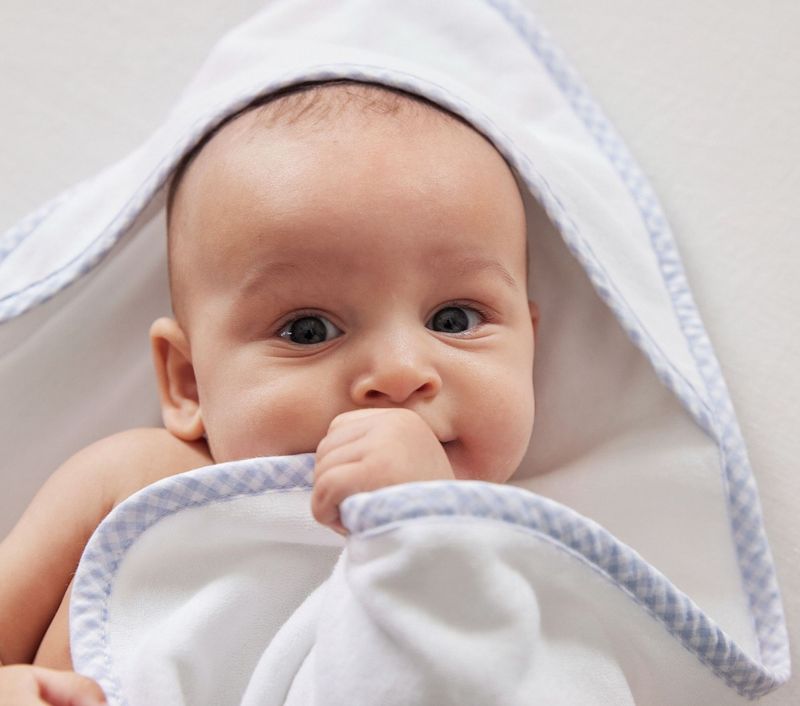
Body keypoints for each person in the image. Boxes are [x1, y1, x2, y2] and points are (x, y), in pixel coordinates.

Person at [0, 80, 538, 704]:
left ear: (531, 344)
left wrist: (424, 525)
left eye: (454, 321)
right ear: (189, 381)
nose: (398, 372)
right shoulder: (131, 478)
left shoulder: (528, 552)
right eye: (307, 330)